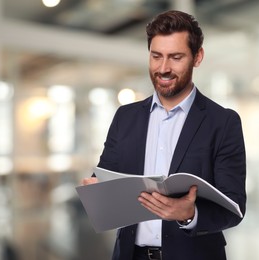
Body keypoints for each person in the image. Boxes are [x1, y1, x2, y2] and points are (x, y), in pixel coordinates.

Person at [82, 10, 246, 260]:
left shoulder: (223, 122)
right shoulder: (125, 117)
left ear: (197, 57)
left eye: (176, 57)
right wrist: (96, 190)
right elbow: (106, 174)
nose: (164, 68)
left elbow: (234, 208)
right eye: (156, 56)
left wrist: (188, 214)